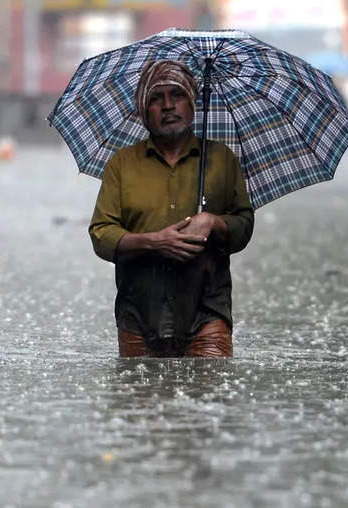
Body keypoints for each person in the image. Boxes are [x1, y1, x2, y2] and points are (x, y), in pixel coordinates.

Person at [89, 60, 254, 358]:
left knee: (210, 397)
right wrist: (154, 242)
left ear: (192, 104)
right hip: (139, 314)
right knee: (138, 400)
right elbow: (101, 234)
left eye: (177, 95)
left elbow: (243, 226)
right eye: (156, 98)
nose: (168, 106)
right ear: (143, 111)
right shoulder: (122, 164)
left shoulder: (221, 160)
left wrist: (213, 221)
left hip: (206, 311)